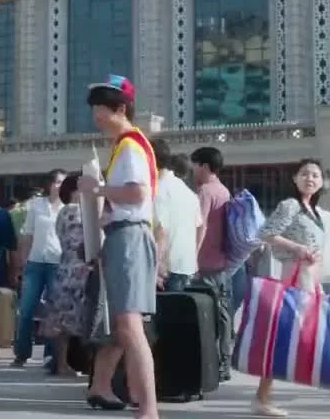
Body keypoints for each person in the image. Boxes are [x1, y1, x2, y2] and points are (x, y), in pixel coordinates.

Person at [254, 159, 330, 417]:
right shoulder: (290, 205)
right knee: (315, 336)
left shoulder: (316, 212)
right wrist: (297, 248)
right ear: (294, 178)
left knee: (299, 337)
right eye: (305, 173)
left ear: (322, 182)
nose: (310, 178)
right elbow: (266, 233)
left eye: (315, 175)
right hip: (295, 279)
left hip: (311, 280)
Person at [79, 74, 159, 419]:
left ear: (121, 108)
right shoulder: (125, 145)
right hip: (123, 236)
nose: (96, 115)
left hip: (129, 236)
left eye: (101, 108)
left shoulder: (129, 145)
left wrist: (96, 189)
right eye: (95, 108)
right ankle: (119, 393)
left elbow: (137, 193)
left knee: (129, 325)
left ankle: (149, 409)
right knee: (124, 324)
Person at [39, 172, 90, 376]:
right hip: (79, 270)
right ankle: (73, 364)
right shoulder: (78, 212)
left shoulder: (62, 212)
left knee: (61, 321)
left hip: (63, 267)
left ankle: (61, 363)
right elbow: (80, 243)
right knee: (79, 319)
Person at [13, 170, 65, 368]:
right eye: (58, 182)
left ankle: (51, 355)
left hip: (57, 262)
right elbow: (28, 233)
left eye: (63, 182)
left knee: (53, 311)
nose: (60, 186)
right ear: (50, 184)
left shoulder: (68, 207)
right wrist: (23, 260)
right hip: (35, 262)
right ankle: (21, 353)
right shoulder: (37, 204)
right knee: (26, 309)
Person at [191, 145, 233, 383]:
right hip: (221, 261)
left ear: (205, 166)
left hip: (205, 261)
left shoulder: (205, 191)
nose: (193, 170)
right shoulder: (224, 190)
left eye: (195, 166)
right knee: (223, 313)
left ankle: (213, 362)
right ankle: (225, 361)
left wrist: (193, 257)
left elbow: (201, 225)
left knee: (209, 315)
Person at [151, 142, 202, 292]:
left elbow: (160, 231)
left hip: (165, 270)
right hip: (186, 267)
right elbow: (198, 225)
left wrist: (155, 269)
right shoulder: (187, 191)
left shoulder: (158, 190)